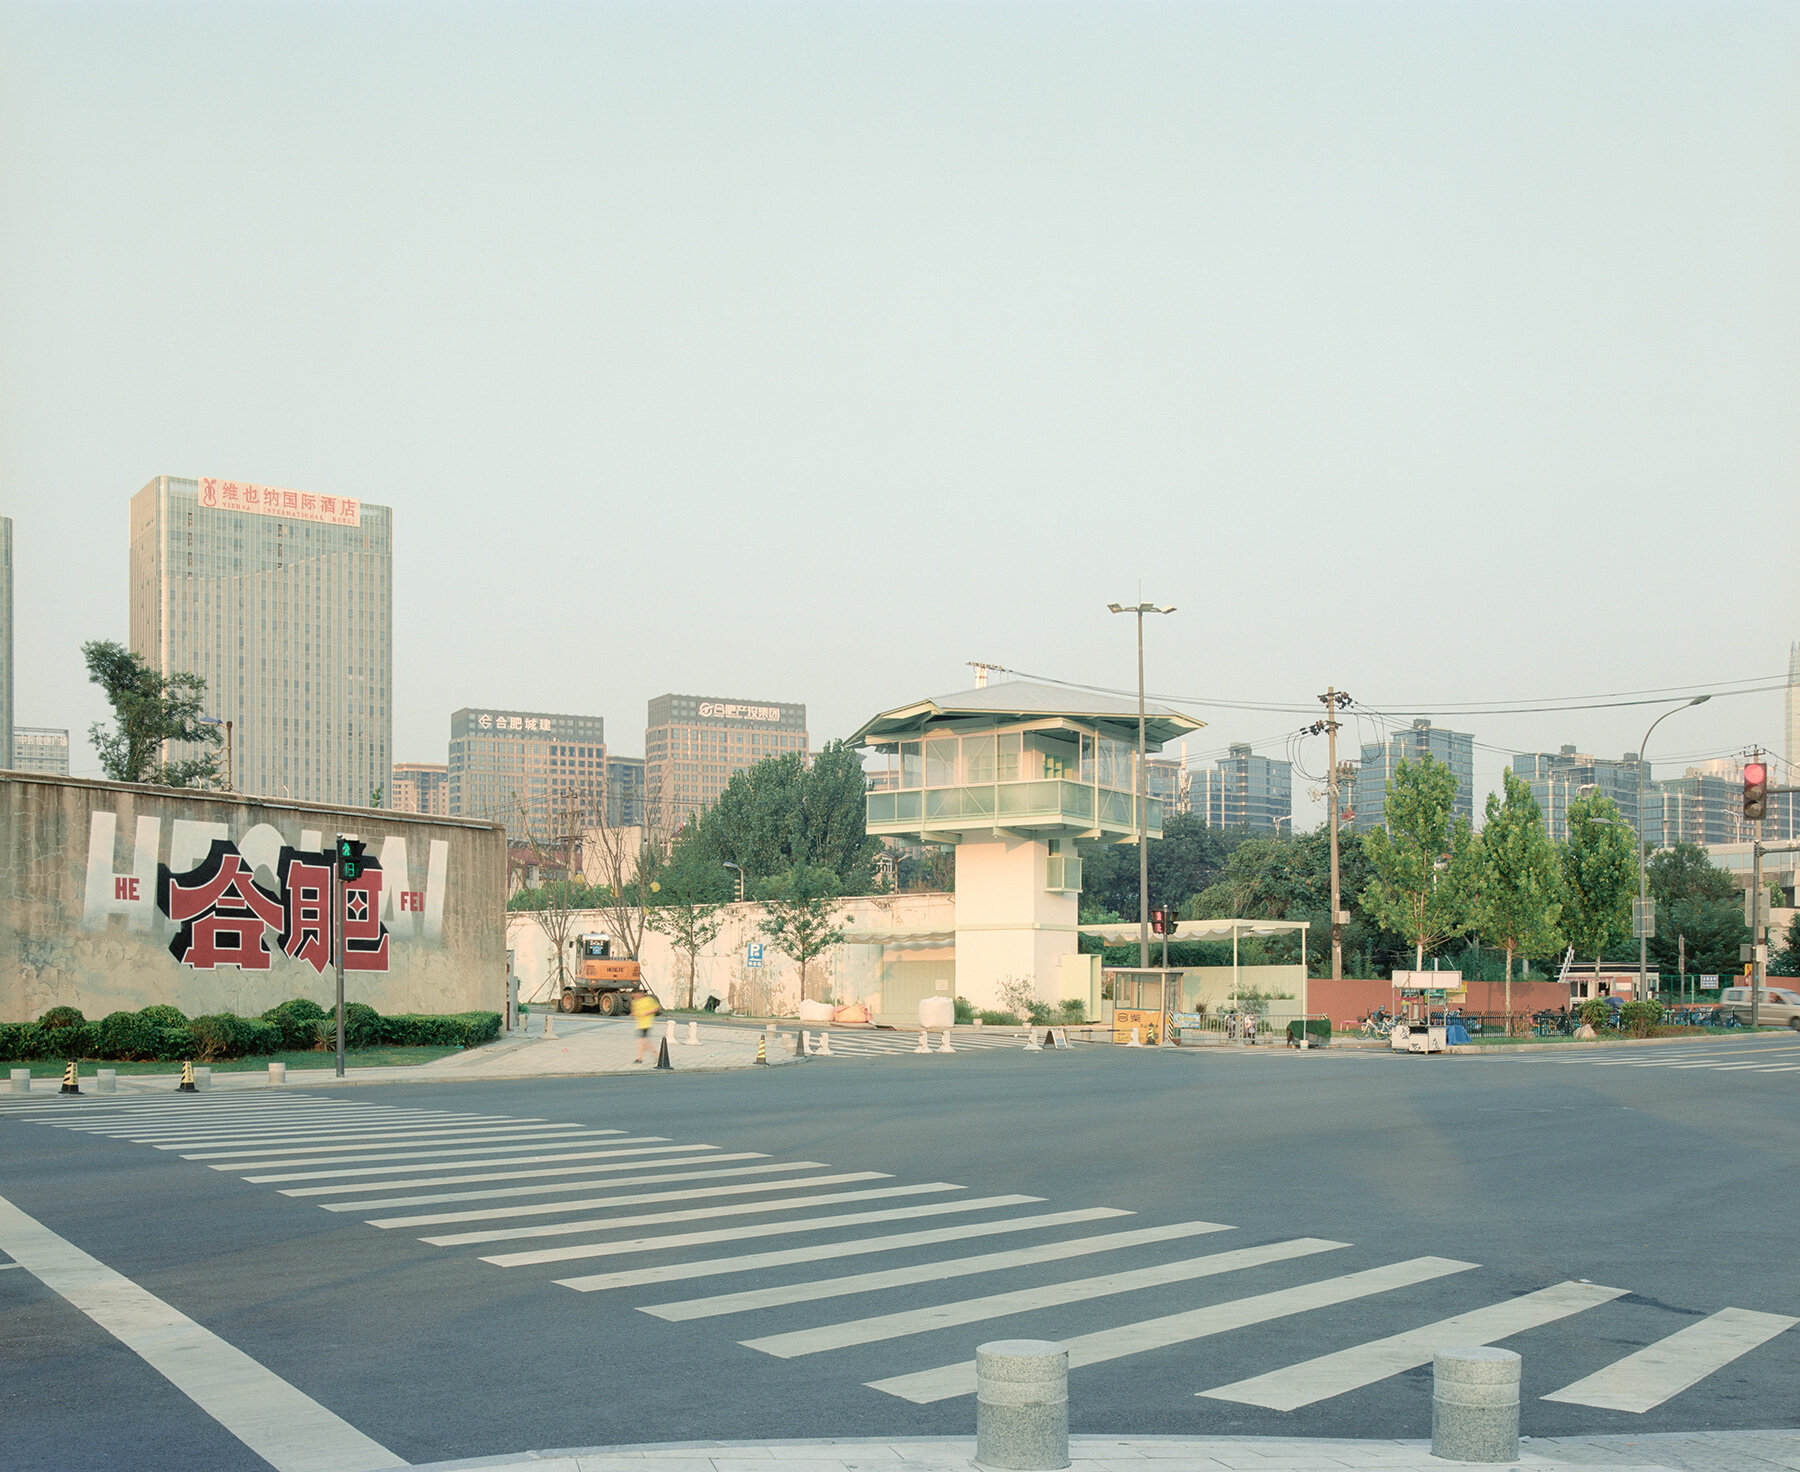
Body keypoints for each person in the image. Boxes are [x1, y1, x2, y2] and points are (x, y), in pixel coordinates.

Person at [631, 989, 660, 1063]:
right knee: (643, 1043)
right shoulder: (635, 1002)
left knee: (643, 1042)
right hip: (639, 1025)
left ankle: (640, 1058)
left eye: (637, 995)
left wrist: (647, 1012)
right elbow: (635, 1011)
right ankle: (656, 1056)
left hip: (646, 1024)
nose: (636, 997)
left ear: (640, 994)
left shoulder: (648, 1000)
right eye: (634, 996)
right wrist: (633, 1014)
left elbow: (657, 1008)